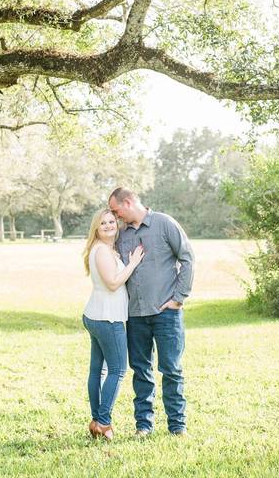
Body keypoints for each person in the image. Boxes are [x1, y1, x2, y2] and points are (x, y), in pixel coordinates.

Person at [108, 187, 194, 436]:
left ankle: (177, 426)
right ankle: (144, 426)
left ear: (129, 201)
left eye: (116, 210)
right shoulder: (121, 235)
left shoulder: (164, 223)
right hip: (135, 315)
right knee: (141, 370)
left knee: (171, 369)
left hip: (166, 313)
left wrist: (179, 298)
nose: (115, 216)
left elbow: (188, 258)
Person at [81, 208, 144, 441]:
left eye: (111, 221)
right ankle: (104, 422)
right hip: (108, 318)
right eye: (103, 223)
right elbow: (113, 283)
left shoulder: (103, 248)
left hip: (96, 315)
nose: (108, 225)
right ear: (96, 228)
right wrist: (133, 263)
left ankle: (96, 420)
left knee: (98, 370)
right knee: (117, 370)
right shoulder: (102, 251)